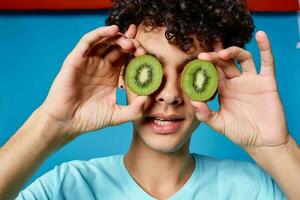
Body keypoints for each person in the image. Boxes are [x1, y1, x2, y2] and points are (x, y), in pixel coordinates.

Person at [0, 0, 299, 199]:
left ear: (215, 81)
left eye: (190, 72)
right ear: (122, 72)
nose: (169, 95)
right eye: (151, 69)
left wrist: (277, 148)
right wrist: (51, 124)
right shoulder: (67, 187)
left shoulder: (253, 189)